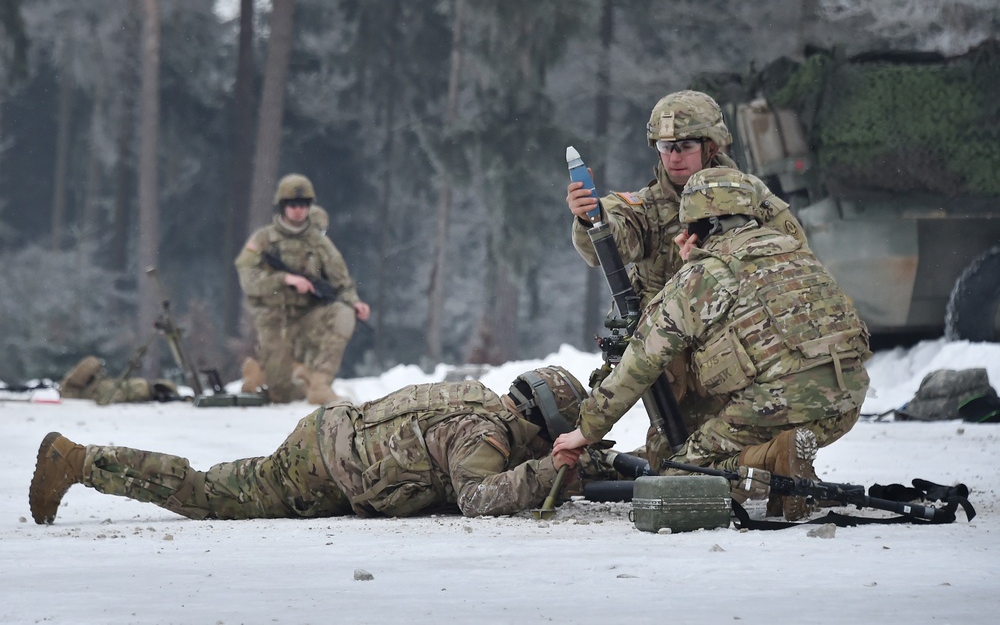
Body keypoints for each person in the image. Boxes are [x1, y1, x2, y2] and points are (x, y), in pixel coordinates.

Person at [554, 169, 872, 520]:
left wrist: (586, 430)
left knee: (680, 478)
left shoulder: (706, 273)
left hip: (782, 404)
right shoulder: (794, 249)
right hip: (846, 404)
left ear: (703, 225)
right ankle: (788, 477)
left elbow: (641, 360)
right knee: (757, 420)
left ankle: (774, 459)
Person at [565, 90, 809, 466]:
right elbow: (613, 237)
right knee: (676, 464)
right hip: (675, 373)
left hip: (747, 359)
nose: (674, 156)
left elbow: (795, 266)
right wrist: (590, 218)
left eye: (685, 145)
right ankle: (765, 463)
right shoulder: (645, 208)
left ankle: (771, 462)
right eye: (665, 146)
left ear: (711, 146)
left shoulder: (754, 201)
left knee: (704, 465)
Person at [29, 366, 594, 525]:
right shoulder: (486, 437)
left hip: (331, 438)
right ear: (544, 424)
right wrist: (549, 473)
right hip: (324, 466)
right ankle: (78, 461)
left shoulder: (480, 400)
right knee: (206, 494)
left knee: (218, 483)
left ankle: (81, 461)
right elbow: (475, 497)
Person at [235, 174, 370, 405]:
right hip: (273, 320)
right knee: (281, 394)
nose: (298, 210)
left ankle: (319, 384)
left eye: (304, 205)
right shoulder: (264, 239)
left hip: (307, 318)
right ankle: (263, 372)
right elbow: (249, 279)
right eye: (293, 205)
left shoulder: (319, 243)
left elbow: (342, 282)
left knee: (343, 314)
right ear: (283, 207)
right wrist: (285, 279)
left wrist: (355, 301)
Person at [59, 355, 179, 404]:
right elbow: (91, 362)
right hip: (129, 390)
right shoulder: (72, 387)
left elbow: (91, 363)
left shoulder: (77, 388)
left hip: (129, 390)